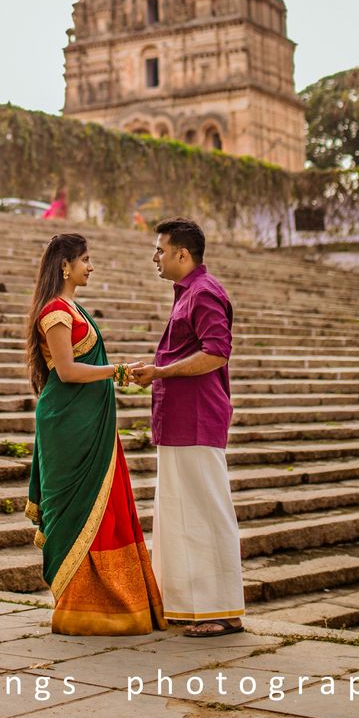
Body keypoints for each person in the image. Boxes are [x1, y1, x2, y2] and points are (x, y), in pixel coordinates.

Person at [25, 232, 166, 635]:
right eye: (85, 259)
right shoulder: (54, 311)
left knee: (106, 507)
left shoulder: (73, 307)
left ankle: (113, 602)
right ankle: (78, 606)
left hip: (91, 421)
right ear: (65, 266)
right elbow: (67, 372)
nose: (91, 266)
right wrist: (117, 370)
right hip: (69, 425)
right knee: (76, 509)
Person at [129, 218, 245, 637]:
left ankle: (217, 609)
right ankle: (196, 605)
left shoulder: (204, 292)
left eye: (160, 250)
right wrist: (158, 372)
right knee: (182, 511)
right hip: (180, 419)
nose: (155, 257)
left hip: (197, 417)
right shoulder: (187, 294)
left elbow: (216, 353)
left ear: (183, 254)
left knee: (204, 510)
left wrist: (160, 372)